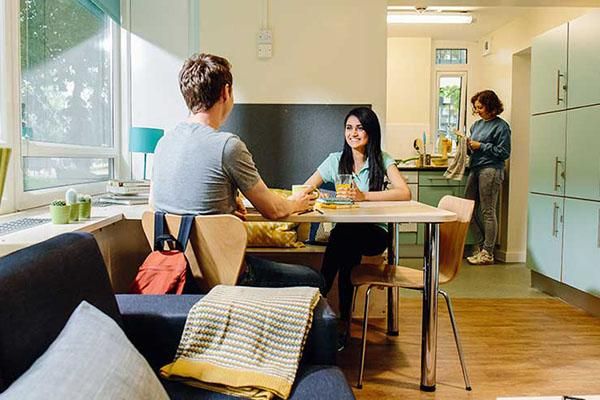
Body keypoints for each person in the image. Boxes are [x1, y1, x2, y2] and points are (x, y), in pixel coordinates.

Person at [150, 53, 322, 289]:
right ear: (226, 92)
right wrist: (296, 202)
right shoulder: (228, 146)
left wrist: (225, 210)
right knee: (314, 279)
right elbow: (273, 209)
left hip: (178, 275)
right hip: (226, 274)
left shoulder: (163, 144)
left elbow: (157, 206)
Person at [303, 107, 411, 347]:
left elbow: (404, 192)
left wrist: (365, 196)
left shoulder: (382, 159)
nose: (353, 133)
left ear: (370, 132)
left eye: (360, 128)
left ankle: (318, 300)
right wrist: (319, 196)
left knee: (343, 236)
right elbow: (307, 187)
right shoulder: (335, 160)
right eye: (349, 128)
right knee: (345, 242)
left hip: (375, 233)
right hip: (347, 234)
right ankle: (343, 327)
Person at [464, 90, 511, 265]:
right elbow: (473, 149)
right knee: (467, 209)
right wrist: (468, 146)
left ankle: (488, 253)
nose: (477, 111)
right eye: (475, 108)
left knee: (488, 211)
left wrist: (481, 146)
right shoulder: (476, 125)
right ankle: (480, 246)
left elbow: (504, 152)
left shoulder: (501, 127)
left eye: (480, 107)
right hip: (476, 168)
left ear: (491, 106)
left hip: (491, 170)